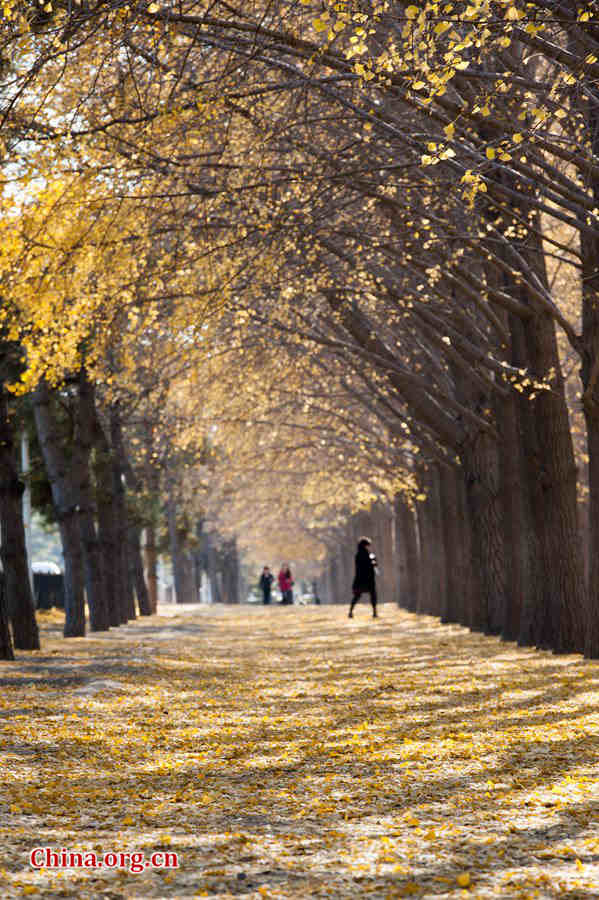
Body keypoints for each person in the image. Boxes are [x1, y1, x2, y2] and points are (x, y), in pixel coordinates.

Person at [349, 537, 378, 618]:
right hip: (367, 579)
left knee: (357, 596)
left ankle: (350, 611)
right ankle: (374, 612)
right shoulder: (368, 555)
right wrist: (373, 561)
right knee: (373, 595)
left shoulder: (358, 555)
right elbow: (373, 565)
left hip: (359, 579)